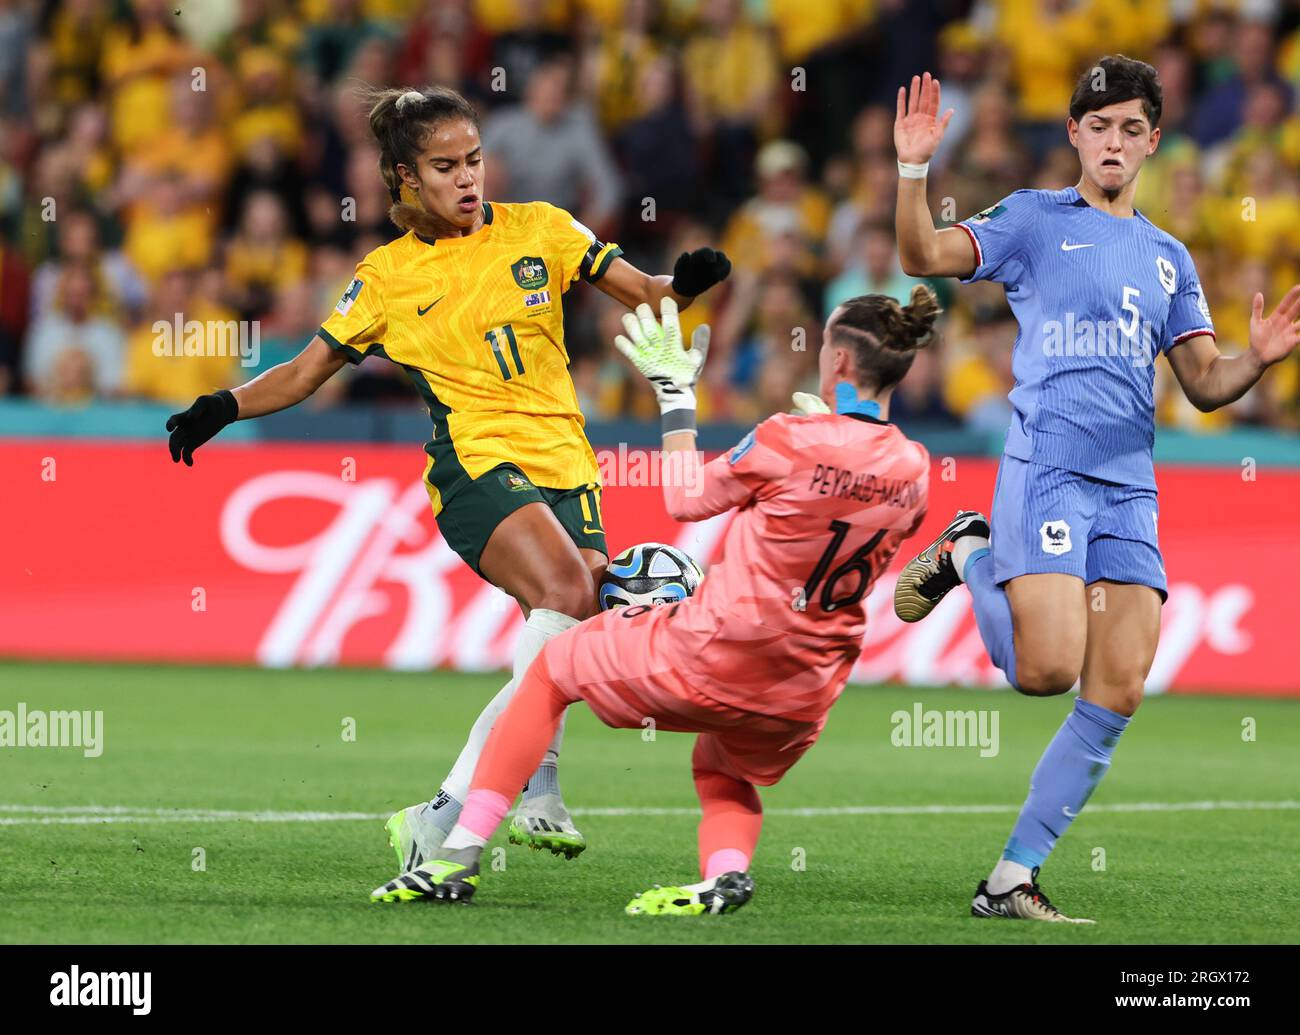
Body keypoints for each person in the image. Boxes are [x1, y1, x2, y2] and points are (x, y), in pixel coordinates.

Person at [164, 85, 731, 868]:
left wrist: (687, 283)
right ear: (405, 179)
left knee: (569, 634)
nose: (469, 179)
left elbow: (647, 293)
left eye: (474, 160)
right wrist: (223, 404)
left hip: (568, 462)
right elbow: (305, 372)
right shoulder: (388, 276)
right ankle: (499, 801)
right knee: (570, 593)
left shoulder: (542, 228)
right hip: (475, 465)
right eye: (445, 166)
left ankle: (497, 796)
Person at [891, 61, 1300, 922]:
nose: (1113, 141)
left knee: (1116, 688)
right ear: (1074, 134)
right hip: (1049, 468)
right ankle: (970, 550)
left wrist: (1256, 360)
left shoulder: (1168, 257)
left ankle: (1011, 878)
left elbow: (1203, 382)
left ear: (1153, 140)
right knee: (1043, 671)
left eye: (1131, 128)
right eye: (1098, 125)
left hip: (1129, 489)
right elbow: (922, 254)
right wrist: (914, 170)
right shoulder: (1035, 219)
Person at [370, 290, 932, 912]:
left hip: (723, 646)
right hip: (808, 688)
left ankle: (456, 854)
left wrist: (675, 397)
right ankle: (723, 876)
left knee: (552, 667)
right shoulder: (915, 468)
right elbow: (845, 500)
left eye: (824, 345)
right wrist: (828, 434)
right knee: (725, 770)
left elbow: (687, 499)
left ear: (841, 363)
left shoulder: (787, 438)